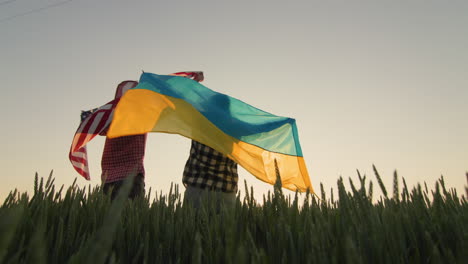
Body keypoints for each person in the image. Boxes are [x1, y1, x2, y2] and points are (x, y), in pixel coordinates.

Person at [101, 81, 148, 200]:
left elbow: (97, 128)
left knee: (109, 216)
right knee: (133, 216)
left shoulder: (110, 118)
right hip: (131, 177)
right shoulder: (142, 117)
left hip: (109, 179)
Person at [182, 140, 239, 210]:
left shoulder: (201, 129)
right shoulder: (236, 130)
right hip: (226, 190)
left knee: (189, 220)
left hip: (197, 186)